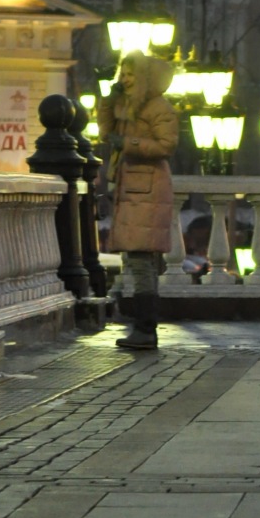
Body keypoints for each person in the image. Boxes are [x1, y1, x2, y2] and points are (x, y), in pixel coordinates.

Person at [100, 50, 179, 351]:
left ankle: (146, 328)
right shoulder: (127, 104)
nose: (125, 79)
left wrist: (129, 143)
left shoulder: (157, 106)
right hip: (133, 187)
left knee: (141, 260)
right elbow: (105, 131)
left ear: (143, 77)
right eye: (122, 73)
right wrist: (108, 100)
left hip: (147, 189)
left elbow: (166, 145)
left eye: (131, 74)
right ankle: (142, 327)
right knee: (135, 260)